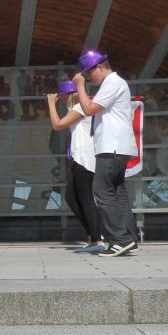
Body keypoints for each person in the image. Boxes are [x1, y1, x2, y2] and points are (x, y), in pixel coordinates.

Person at [72, 50, 139, 257]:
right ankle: (128, 238)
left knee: (101, 190)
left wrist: (80, 86)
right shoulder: (114, 83)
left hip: (112, 146)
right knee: (117, 191)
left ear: (100, 67)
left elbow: (89, 109)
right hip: (118, 146)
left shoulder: (112, 83)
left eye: (89, 72)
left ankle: (119, 239)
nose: (88, 77)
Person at [47, 80, 104, 253]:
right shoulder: (79, 108)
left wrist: (51, 104)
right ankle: (93, 236)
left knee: (85, 199)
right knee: (72, 197)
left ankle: (97, 239)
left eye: (63, 97)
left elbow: (57, 125)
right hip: (79, 158)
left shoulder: (80, 108)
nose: (62, 100)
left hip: (85, 159)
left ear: (68, 95)